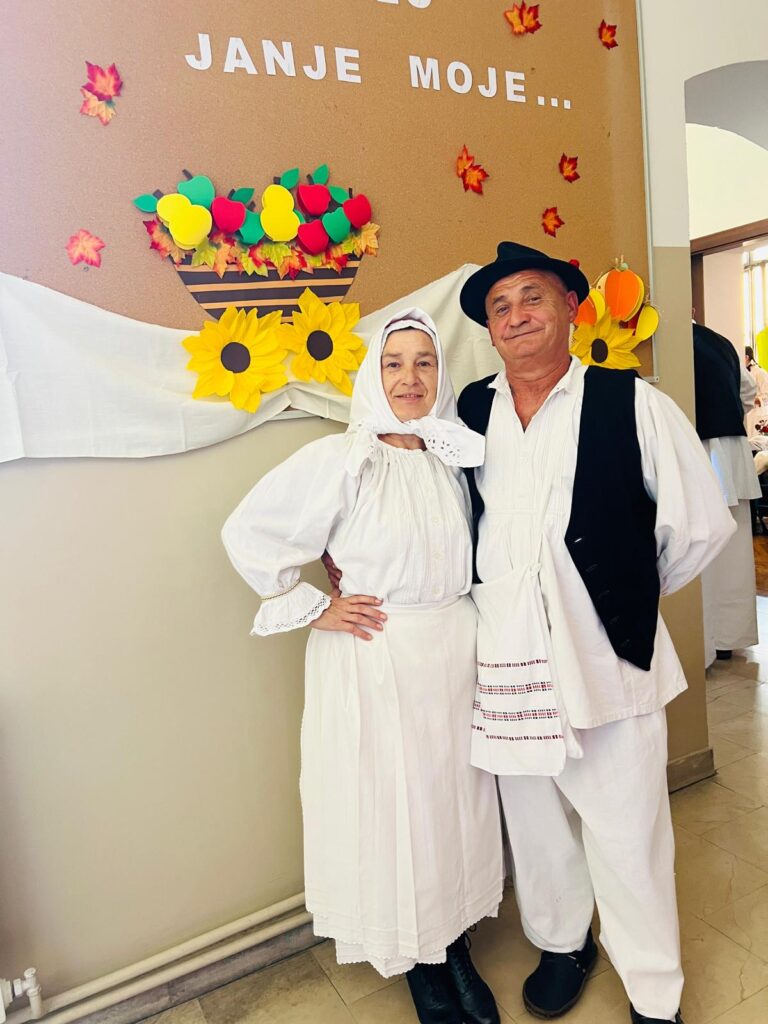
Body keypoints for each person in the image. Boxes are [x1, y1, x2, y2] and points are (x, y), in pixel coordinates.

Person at [454, 242, 735, 1024]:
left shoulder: (630, 400)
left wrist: (625, 592)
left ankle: (654, 993)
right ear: (489, 327)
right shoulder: (468, 411)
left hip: (605, 651)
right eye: (500, 306)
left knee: (627, 826)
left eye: (532, 298)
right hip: (504, 652)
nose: (516, 316)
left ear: (571, 308)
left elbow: (699, 525)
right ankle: (562, 942)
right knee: (535, 818)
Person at [222, 308, 504, 1024]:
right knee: (395, 808)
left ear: (440, 374)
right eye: (393, 363)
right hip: (380, 656)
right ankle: (421, 962)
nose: (410, 378)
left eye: (424, 362)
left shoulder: (452, 456)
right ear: (373, 375)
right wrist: (317, 608)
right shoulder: (343, 459)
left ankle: (455, 941)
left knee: (453, 806)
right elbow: (248, 532)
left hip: (453, 655)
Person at [692, 319, 761, 663]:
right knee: (732, 548)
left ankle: (703, 641)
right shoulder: (721, 342)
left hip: (700, 446)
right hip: (732, 447)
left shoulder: (667, 342)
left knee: (700, 547)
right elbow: (748, 391)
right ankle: (729, 637)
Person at [745, 345, 768, 436]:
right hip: (747, 414)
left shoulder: (760, 372)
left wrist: (756, 400)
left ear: (746, 357)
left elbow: (767, 394)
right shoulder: (743, 372)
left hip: (759, 413)